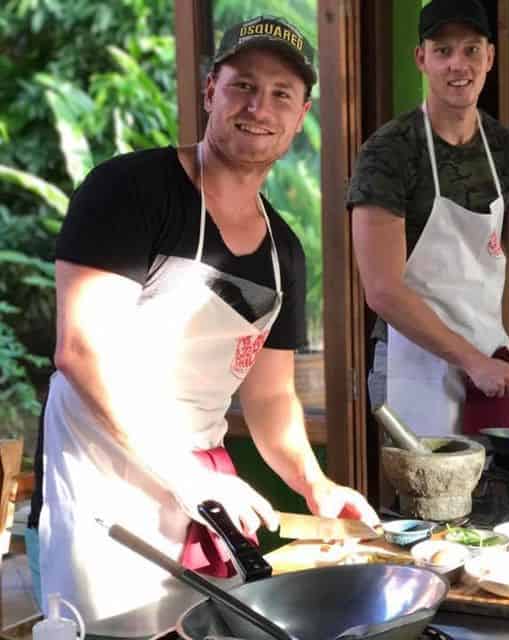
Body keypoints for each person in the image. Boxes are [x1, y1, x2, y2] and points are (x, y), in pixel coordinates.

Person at [27, 15, 378, 633]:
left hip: (203, 479)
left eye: (281, 95)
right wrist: (183, 474)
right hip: (102, 475)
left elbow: (269, 396)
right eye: (243, 85)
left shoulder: (283, 251)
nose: (258, 107)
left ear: (300, 117)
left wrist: (314, 482)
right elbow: (81, 352)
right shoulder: (130, 190)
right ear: (211, 89)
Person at [347, 0, 509, 437]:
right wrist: (470, 361)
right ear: (421, 58)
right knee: (429, 496)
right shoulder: (388, 154)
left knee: (501, 495)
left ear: (490, 57)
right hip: (414, 366)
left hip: (490, 361)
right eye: (443, 50)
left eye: (470, 49)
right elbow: (383, 291)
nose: (457, 64)